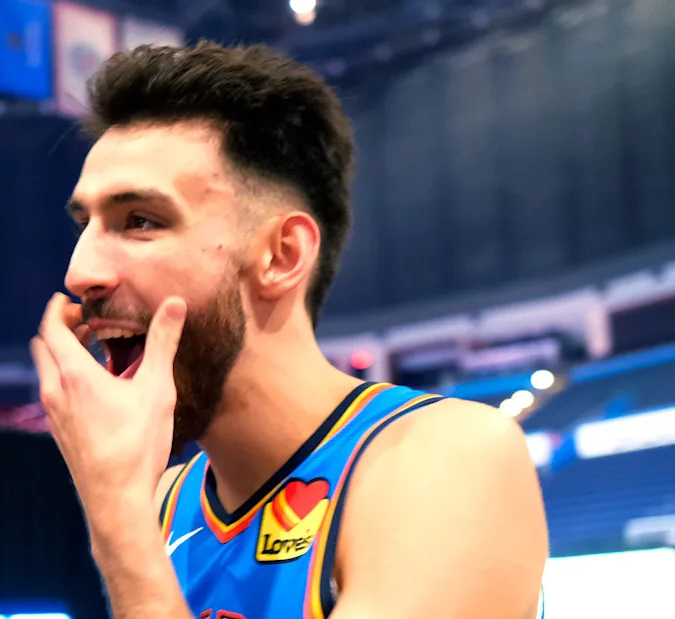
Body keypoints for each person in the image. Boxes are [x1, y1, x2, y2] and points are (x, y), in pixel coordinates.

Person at [30, 41, 548, 619]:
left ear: (280, 255)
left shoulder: (448, 458)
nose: (82, 272)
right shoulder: (163, 503)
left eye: (141, 221)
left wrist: (119, 520)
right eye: (86, 224)